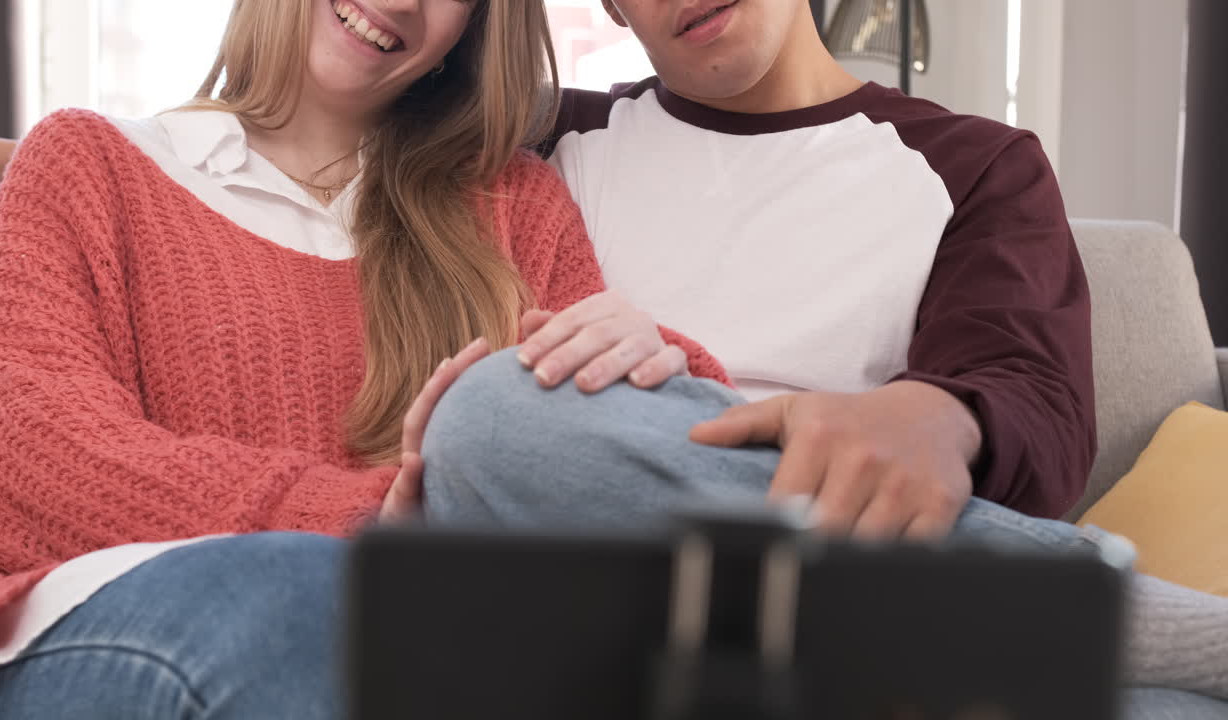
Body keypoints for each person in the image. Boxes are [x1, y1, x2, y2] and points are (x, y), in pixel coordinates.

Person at [383, 0, 1228, 716]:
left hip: (866, 646)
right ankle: (1151, 624)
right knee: (494, 412)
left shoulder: (977, 166)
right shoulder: (540, 140)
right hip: (605, 633)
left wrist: (941, 417)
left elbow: (1038, 402)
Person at [0, 0, 728, 717]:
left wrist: (657, 357)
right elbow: (24, 454)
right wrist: (370, 527)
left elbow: (606, 463)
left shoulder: (512, 204)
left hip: (406, 660)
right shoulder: (87, 161)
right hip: (78, 642)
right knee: (299, 600)